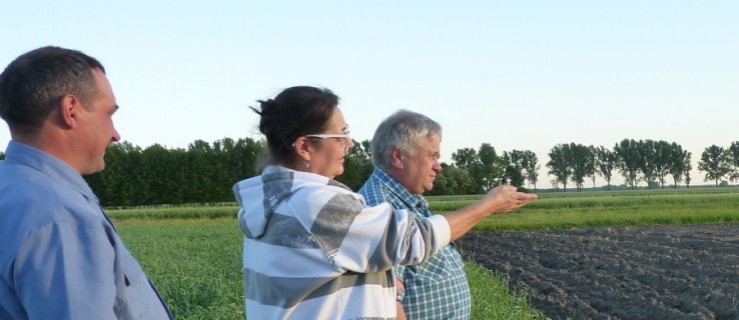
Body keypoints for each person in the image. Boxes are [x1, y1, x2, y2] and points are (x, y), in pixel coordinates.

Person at [233, 86, 536, 319]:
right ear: (304, 146)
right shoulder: (312, 203)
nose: (349, 143)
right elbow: (414, 239)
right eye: (341, 135)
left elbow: (320, 276)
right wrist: (489, 204)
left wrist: (380, 283)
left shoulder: (277, 202)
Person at [0, 46, 172, 319]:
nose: (116, 134)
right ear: (70, 110)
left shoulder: (9, 188)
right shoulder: (61, 218)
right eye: (109, 114)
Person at [359, 109, 523, 319]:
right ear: (398, 157)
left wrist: (489, 207)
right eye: (432, 155)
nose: (438, 166)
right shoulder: (381, 207)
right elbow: (386, 305)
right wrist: (487, 205)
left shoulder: (405, 199)